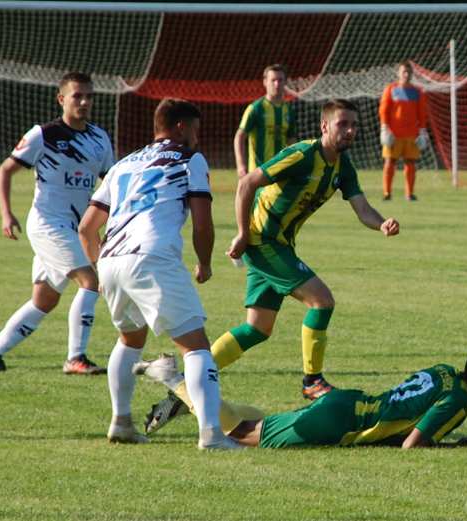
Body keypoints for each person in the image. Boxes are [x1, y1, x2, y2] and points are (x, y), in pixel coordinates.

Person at [141, 99, 400, 434]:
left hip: (279, 245)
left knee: (257, 329)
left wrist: (381, 224)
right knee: (322, 301)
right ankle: (312, 381)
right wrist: (243, 234)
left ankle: (186, 386)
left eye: (353, 125)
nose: (349, 130)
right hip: (264, 242)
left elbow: (363, 209)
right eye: (342, 124)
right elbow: (247, 183)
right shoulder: (303, 154)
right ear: (324, 126)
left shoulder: (342, 166)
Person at [77, 99, 239, 449]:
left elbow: (86, 228)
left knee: (130, 340)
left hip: (111, 260)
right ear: (181, 127)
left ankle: (121, 422)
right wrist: (205, 262)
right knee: (196, 348)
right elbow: (202, 221)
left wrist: (101, 271)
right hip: (152, 256)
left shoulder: (122, 165)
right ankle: (211, 434)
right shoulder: (188, 159)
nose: (198, 137)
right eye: (195, 129)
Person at [0, 72, 114, 375]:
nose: (85, 101)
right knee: (91, 281)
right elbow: (5, 171)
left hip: (76, 229)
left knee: (45, 299)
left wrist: (105, 229)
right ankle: (75, 358)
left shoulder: (99, 138)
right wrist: (6, 213)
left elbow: (110, 186)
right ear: (61, 99)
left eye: (89, 96)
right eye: (78, 96)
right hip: (48, 224)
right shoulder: (43, 134)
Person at [139, 350, 467, 448]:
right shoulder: (458, 402)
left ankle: (188, 394)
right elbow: (412, 443)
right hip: (343, 423)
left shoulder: (446, 370)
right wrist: (450, 443)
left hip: (348, 402)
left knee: (257, 424)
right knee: (238, 436)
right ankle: (172, 377)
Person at [234, 64, 298, 177]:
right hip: (258, 173)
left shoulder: (288, 110)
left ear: (285, 82)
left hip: (281, 171)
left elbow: (291, 140)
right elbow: (239, 137)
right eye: (273, 80)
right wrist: (241, 167)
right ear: (265, 82)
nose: (277, 84)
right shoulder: (256, 108)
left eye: (280, 80)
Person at [378, 61, 429, 201]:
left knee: (410, 163)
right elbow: (384, 110)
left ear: (411, 74)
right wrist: (384, 127)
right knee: (389, 162)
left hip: (412, 135)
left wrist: (423, 130)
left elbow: (422, 113)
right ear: (398, 73)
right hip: (393, 134)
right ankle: (387, 193)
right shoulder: (391, 89)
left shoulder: (417, 92)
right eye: (403, 72)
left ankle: (409, 194)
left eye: (408, 72)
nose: (406, 74)